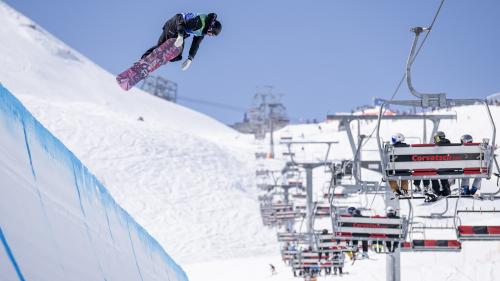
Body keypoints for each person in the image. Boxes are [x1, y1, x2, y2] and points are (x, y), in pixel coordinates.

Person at [141, 12, 222, 71]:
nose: (210, 35)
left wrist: (190, 58)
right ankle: (144, 60)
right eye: (211, 34)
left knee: (177, 56)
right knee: (162, 47)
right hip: (174, 25)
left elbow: (196, 44)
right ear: (211, 28)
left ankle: (156, 60)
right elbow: (181, 23)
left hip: (181, 33)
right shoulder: (199, 23)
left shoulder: (203, 31)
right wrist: (180, 35)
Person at [429, 131, 452, 200]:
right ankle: (446, 189)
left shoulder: (437, 144)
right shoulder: (448, 143)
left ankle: (436, 190)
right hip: (448, 166)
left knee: (433, 172)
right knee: (442, 173)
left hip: (438, 166)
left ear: (437, 137)